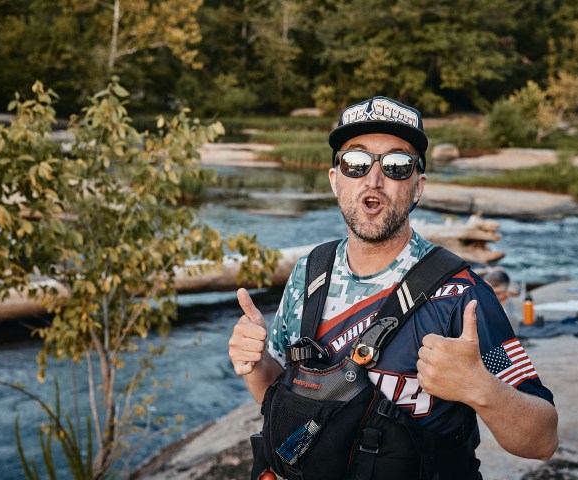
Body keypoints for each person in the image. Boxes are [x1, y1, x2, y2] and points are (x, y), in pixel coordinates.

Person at [228, 96, 558, 477]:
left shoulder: (460, 295)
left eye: (397, 165)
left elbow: (543, 441)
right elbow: (283, 405)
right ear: (336, 181)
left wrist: (480, 387)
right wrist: (253, 365)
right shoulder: (310, 273)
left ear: (417, 187)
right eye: (356, 162)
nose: (374, 179)